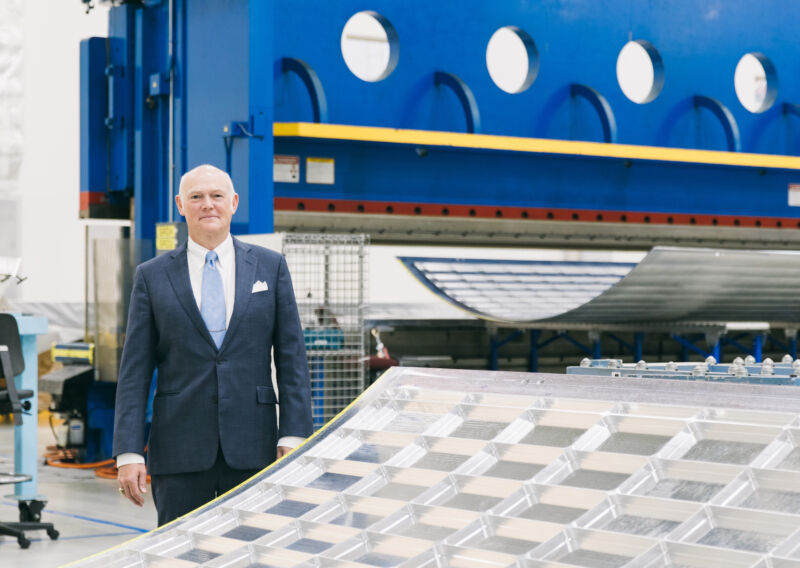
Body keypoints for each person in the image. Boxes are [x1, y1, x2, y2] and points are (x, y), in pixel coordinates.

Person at [113, 164, 312, 526]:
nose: (208, 204)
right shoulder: (152, 275)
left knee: (254, 552)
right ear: (180, 205)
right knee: (181, 555)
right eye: (196, 197)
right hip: (179, 449)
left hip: (255, 448)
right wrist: (128, 452)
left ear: (233, 202)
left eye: (217, 196)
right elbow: (134, 374)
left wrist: (295, 434)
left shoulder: (270, 267)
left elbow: (292, 359)